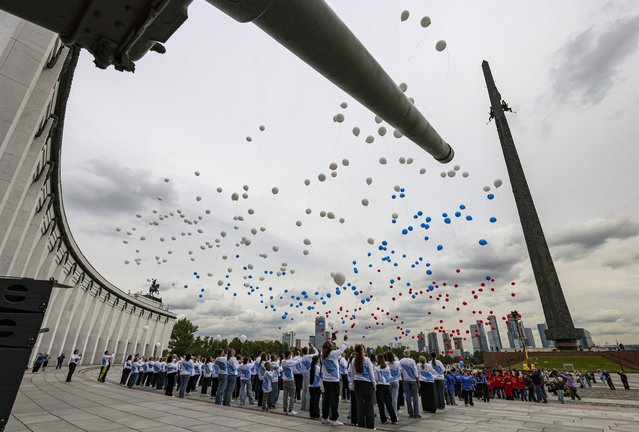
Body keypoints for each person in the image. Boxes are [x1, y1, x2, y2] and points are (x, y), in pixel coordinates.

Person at [321, 334, 348, 425]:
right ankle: (334, 419)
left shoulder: (322, 354)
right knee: (334, 400)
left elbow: (328, 347)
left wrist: (330, 342)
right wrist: (344, 341)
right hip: (334, 381)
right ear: (330, 348)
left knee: (326, 399)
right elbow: (341, 349)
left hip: (325, 380)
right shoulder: (333, 354)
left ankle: (325, 418)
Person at [351, 344, 376, 429]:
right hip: (367, 383)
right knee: (369, 405)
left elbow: (353, 374)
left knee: (359, 404)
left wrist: (352, 384)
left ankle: (361, 424)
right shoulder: (367, 360)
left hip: (357, 382)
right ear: (362, 351)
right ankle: (370, 425)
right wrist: (374, 384)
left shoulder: (353, 360)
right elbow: (371, 373)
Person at [374, 354, 397, 425]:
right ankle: (394, 419)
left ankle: (383, 419)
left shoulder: (377, 368)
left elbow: (376, 379)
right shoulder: (387, 367)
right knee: (389, 403)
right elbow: (389, 377)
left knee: (381, 404)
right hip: (387, 386)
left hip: (380, 386)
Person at [399, 349, 420, 418]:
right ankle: (416, 413)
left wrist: (403, 379)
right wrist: (418, 381)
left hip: (405, 380)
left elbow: (401, 371)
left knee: (407, 397)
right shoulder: (412, 361)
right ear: (409, 354)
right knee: (415, 397)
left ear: (403, 354)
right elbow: (415, 370)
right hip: (413, 379)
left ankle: (410, 413)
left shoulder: (401, 361)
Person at [386, 351, 401, 416]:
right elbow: (399, 372)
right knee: (394, 399)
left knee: (388, 398)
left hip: (388, 382)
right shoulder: (397, 363)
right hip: (395, 381)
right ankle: (395, 414)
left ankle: (387, 413)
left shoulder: (385, 363)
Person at [309, 354, 322, 419]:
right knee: (316, 401)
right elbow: (321, 376)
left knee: (312, 400)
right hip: (317, 386)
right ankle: (316, 414)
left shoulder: (311, 367)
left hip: (311, 386)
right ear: (317, 360)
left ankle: (312, 414)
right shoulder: (318, 368)